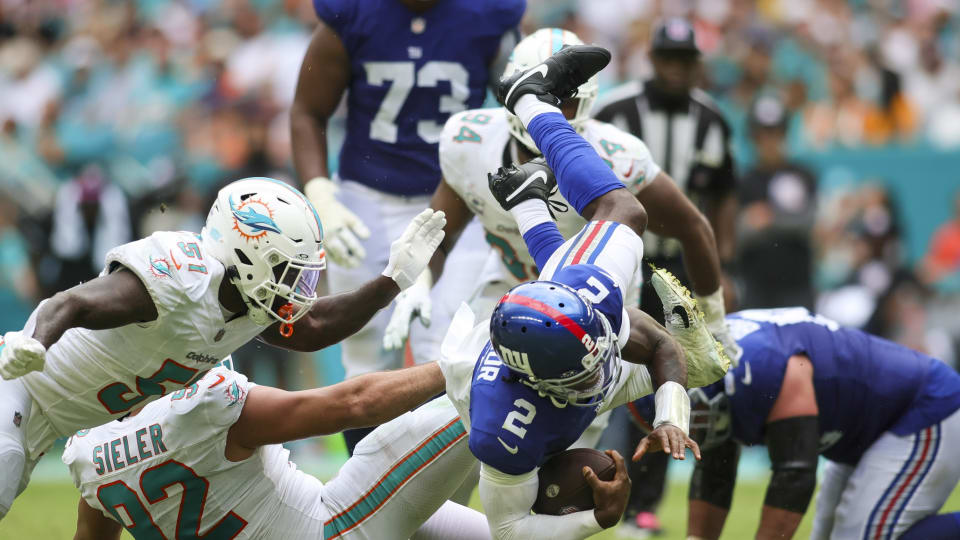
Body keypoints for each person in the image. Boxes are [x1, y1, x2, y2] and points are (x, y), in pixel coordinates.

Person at [0, 177, 445, 520]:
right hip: (19, 383)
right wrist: (33, 342)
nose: (298, 291)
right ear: (249, 253)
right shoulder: (181, 279)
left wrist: (393, 282)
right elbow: (69, 302)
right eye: (290, 273)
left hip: (49, 421)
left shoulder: (246, 303)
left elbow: (313, 327)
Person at [432, 44, 731, 539]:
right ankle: (528, 199)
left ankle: (530, 102)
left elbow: (655, 343)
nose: (598, 374)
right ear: (543, 384)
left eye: (596, 355)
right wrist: (599, 519)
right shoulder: (504, 431)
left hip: (563, 299)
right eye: (583, 373)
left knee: (625, 211)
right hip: (516, 329)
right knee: (699, 366)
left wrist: (670, 416)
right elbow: (507, 528)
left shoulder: (597, 314)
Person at [385, 27, 734, 371]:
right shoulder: (470, 142)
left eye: (564, 99)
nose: (556, 108)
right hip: (509, 291)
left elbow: (694, 227)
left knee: (578, 421)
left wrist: (714, 320)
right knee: (473, 398)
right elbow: (439, 236)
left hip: (596, 307)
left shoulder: (618, 155)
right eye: (543, 97)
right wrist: (417, 284)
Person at [290, 0, 525, 454]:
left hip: (458, 196)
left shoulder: (488, 15)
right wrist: (320, 192)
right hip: (367, 199)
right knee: (366, 348)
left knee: (452, 347)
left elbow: (514, 114)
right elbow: (307, 110)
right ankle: (363, 486)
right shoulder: (353, 13)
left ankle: (442, 501)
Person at [593, 18, 740, 536]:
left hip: (680, 269)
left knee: (674, 379)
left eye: (685, 60)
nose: (677, 69)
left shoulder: (712, 119)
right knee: (603, 372)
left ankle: (644, 504)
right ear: (653, 59)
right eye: (669, 59)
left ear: (696, 63)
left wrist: (721, 269)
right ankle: (591, 477)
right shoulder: (615, 110)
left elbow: (720, 201)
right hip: (623, 259)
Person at [632, 307, 960, 540]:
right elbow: (715, 468)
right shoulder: (721, 368)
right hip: (866, 428)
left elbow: (795, 472)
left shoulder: (758, 365)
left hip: (921, 408)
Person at [65, 361, 492, 540]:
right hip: (335, 526)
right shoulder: (202, 410)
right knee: (486, 382)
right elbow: (354, 404)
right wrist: (452, 364)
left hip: (318, 516)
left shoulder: (86, 452)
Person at [737, 95, 817, 309]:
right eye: (762, 134)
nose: (769, 140)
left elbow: (807, 221)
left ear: (784, 134)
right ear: (753, 137)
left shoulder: (803, 175)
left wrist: (768, 217)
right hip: (755, 287)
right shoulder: (744, 181)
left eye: (775, 132)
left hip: (797, 286)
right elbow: (736, 233)